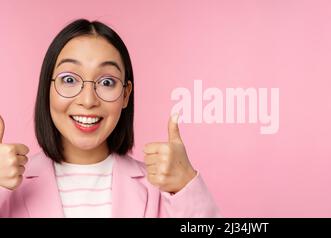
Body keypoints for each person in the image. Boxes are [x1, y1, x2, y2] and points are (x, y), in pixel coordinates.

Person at [0, 19, 220, 218]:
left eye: (107, 82)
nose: (88, 101)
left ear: (125, 94)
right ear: (47, 88)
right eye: (69, 79)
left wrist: (185, 185)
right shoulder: (7, 184)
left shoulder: (162, 189)